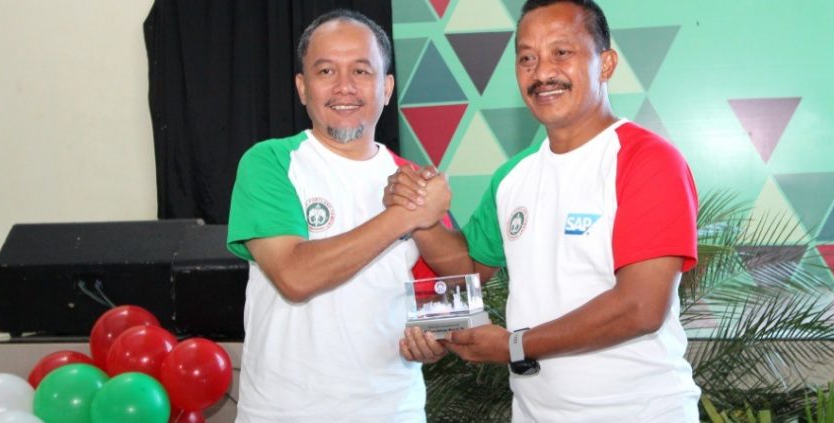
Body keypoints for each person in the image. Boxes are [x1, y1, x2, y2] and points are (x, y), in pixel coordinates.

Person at [391, 0, 701, 420]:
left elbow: (641, 307)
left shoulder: (647, 160)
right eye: (527, 58)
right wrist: (418, 215)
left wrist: (514, 345)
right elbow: (468, 269)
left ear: (606, 64)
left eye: (561, 52)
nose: (541, 73)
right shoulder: (512, 176)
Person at [226, 9, 450, 422]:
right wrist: (404, 216)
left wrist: (436, 340)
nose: (344, 86)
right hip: (283, 414)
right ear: (302, 88)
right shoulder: (270, 163)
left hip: (393, 411)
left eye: (361, 71)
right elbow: (295, 276)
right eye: (326, 71)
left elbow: (447, 303)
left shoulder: (415, 181)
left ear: (386, 88)